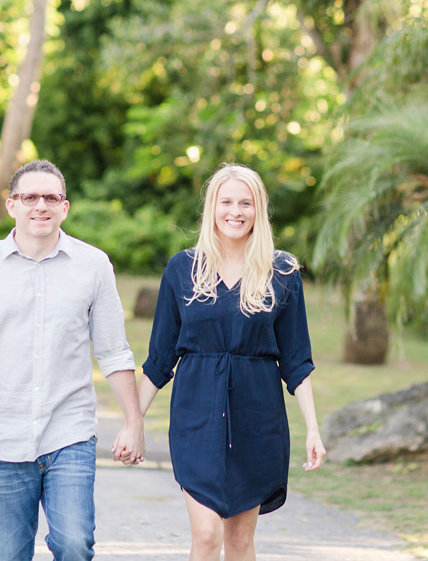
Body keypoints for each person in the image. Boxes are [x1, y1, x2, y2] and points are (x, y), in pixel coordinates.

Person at [0, 159, 145, 561]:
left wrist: (134, 422)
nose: (40, 206)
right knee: (11, 554)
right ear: (11, 204)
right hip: (3, 437)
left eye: (51, 197)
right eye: (29, 197)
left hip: (69, 432)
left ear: (64, 207)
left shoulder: (94, 265)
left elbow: (114, 350)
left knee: (74, 543)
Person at [137, 163, 326, 561]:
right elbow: (159, 358)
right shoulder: (182, 269)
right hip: (196, 416)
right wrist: (133, 422)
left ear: (259, 209)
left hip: (257, 419)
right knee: (206, 536)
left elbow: (296, 360)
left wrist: (313, 429)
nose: (235, 211)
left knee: (239, 542)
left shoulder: (283, 271)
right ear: (212, 207)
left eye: (246, 202)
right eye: (226, 201)